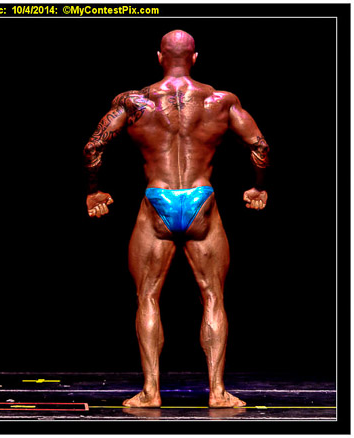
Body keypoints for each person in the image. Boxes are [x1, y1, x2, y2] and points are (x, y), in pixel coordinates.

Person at [83, 30, 269, 408]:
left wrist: (94, 189)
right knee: (213, 296)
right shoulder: (221, 101)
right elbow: (260, 146)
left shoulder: (134, 101)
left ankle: (151, 392)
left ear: (159, 57)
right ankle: (218, 393)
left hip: (157, 198)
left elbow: (93, 146)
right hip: (201, 200)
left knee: (147, 297)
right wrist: (257, 186)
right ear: (195, 57)